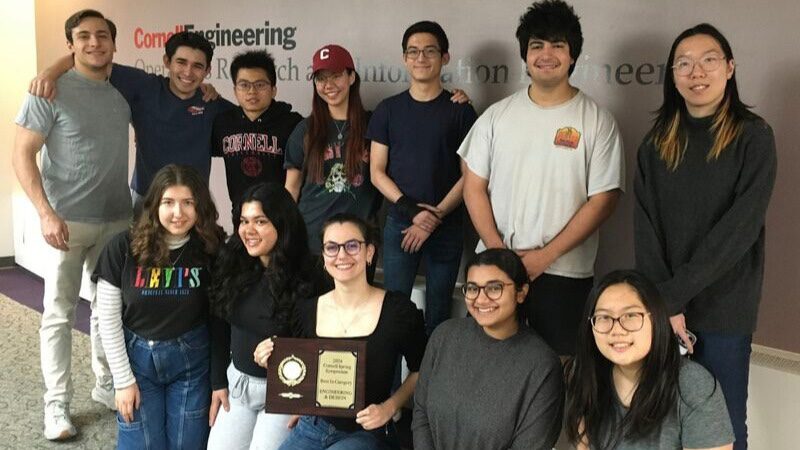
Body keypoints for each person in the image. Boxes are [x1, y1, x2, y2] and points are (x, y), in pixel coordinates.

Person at [634, 23, 776, 450]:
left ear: (730, 67)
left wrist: (673, 296)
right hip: (664, 311)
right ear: (672, 75)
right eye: (684, 63)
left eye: (709, 60)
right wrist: (666, 302)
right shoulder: (656, 142)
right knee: (662, 426)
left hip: (724, 310)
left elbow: (740, 229)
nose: (697, 72)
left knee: (724, 429)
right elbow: (646, 227)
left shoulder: (754, 136)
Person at [458, 0, 625, 356]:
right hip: (495, 271)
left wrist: (544, 256)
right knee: (489, 365)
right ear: (525, 54)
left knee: (558, 371)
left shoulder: (597, 121)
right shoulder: (496, 116)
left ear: (573, 56)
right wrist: (498, 251)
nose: (546, 54)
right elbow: (473, 185)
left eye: (557, 45)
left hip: (565, 273)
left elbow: (603, 200)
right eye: (537, 45)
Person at [11, 9, 131, 440]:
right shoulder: (49, 91)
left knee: (108, 310)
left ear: (114, 44)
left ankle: (106, 384)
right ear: (71, 44)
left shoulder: (122, 91)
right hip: (65, 222)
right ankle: (56, 404)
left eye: (102, 35)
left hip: (118, 220)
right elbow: (22, 154)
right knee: (59, 313)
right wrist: (45, 213)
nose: (94, 43)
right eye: (83, 36)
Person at [254, 213, 427, 449]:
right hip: (313, 426)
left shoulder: (397, 312)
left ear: (369, 252)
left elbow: (422, 369)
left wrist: (390, 407)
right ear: (324, 257)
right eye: (332, 247)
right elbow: (300, 370)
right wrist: (270, 358)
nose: (342, 255)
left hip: (366, 431)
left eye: (352, 245)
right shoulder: (306, 311)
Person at [93, 165, 224, 449]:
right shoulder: (122, 248)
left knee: (187, 444)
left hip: (192, 364)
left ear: (199, 206)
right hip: (137, 363)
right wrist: (122, 381)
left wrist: (218, 381)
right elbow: (108, 320)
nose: (178, 213)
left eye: (188, 202)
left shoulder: (211, 249)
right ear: (154, 205)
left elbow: (218, 320)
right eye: (168, 202)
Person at [31, 31, 234, 211]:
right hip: (146, 200)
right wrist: (49, 73)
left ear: (207, 71)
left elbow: (252, 119)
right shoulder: (145, 87)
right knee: (142, 254)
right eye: (181, 62)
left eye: (197, 66)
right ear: (166, 61)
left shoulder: (212, 102)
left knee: (194, 255)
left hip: (194, 203)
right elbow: (88, 61)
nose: (188, 72)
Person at [368, 21, 478, 336]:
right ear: (404, 58)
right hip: (400, 222)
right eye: (413, 51)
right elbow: (377, 171)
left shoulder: (461, 111)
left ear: (444, 57)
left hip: (447, 226)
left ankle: (431, 384)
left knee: (440, 312)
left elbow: (469, 175)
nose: (421, 58)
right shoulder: (388, 110)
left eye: (429, 51)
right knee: (394, 310)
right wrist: (413, 212)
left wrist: (436, 215)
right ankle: (391, 385)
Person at [564, 270, 734, 450]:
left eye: (630, 315)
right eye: (604, 317)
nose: (617, 330)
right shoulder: (585, 374)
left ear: (656, 319)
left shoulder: (692, 385)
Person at [412, 249, 563, 450]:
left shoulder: (542, 365)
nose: (481, 299)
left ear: (521, 292)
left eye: (494, 288)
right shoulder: (444, 336)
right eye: (473, 288)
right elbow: (421, 412)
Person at [207, 183, 318, 450]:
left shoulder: (310, 274)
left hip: (285, 390)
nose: (249, 231)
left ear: (282, 225)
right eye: (244, 221)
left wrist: (305, 398)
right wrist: (218, 384)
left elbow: (321, 343)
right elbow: (219, 327)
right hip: (238, 385)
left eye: (260, 221)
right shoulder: (233, 261)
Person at [284, 44, 382, 262]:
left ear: (351, 77)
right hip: (312, 241)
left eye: (336, 75)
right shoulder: (305, 130)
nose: (328, 85)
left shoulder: (374, 124)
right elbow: (291, 187)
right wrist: (288, 234)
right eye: (321, 78)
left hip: (358, 242)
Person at [212, 51, 303, 227]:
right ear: (235, 90)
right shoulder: (223, 123)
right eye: (244, 85)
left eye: (260, 84)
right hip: (241, 219)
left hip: (281, 219)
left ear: (273, 89)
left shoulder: (292, 123)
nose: (252, 91)